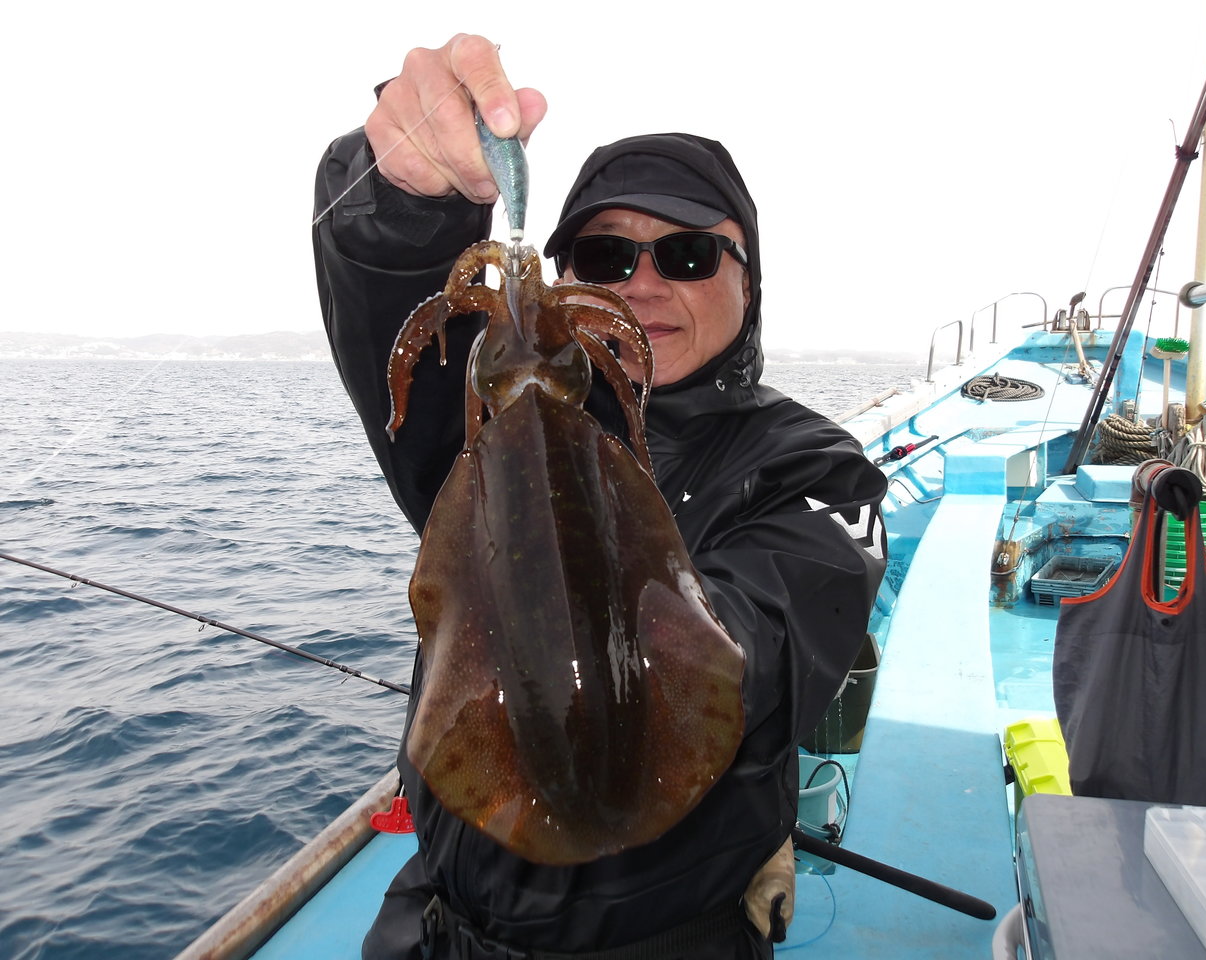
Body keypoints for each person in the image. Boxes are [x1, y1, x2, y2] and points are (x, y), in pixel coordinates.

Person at [312, 35, 888, 960]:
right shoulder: (492, 428)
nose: (645, 284)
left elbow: (752, 655)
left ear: (749, 283)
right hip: (439, 928)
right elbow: (403, 336)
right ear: (568, 276)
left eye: (689, 254)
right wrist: (406, 207)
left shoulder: (809, 474)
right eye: (606, 254)